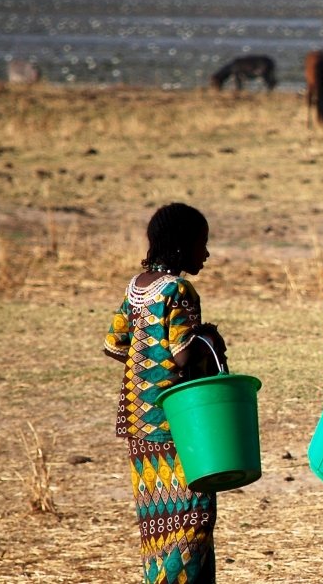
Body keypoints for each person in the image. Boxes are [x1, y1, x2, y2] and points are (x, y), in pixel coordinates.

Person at [103, 202, 227, 584]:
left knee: (158, 525)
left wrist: (146, 360)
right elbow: (183, 353)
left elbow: (114, 344)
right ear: (181, 245)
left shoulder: (136, 286)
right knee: (194, 517)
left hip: (140, 422)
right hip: (178, 423)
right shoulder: (179, 289)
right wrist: (209, 338)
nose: (206, 253)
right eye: (201, 244)